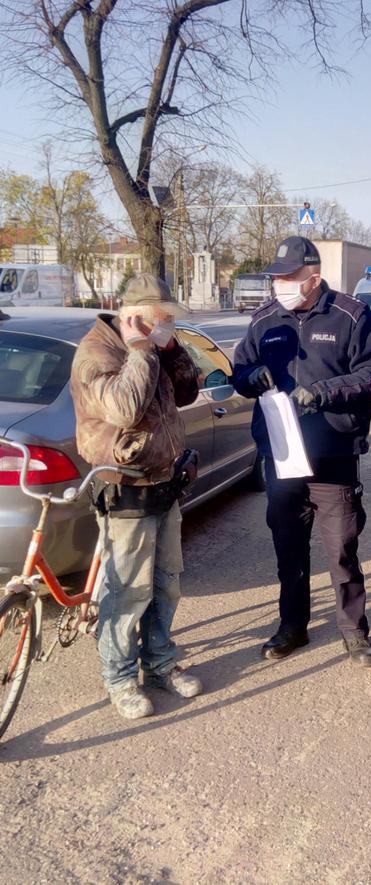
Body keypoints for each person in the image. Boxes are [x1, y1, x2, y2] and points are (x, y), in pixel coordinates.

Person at [233, 237, 371, 666]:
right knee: (289, 548)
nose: (278, 284)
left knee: (341, 549)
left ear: (313, 279)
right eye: (275, 277)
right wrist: (251, 375)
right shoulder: (264, 319)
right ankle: (292, 627)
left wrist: (322, 393)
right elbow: (239, 372)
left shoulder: (351, 316)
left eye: (287, 277)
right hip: (281, 457)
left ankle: (354, 632)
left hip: (332, 454)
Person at [70, 273, 204, 720]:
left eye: (168, 319)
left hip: (164, 483)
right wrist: (141, 349)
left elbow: (188, 391)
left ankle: (160, 662)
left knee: (166, 584)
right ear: (133, 317)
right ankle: (120, 677)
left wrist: (168, 348)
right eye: (159, 319)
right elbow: (125, 408)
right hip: (125, 485)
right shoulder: (98, 352)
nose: (166, 324)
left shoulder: (154, 346)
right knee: (127, 592)